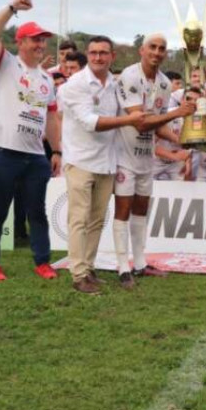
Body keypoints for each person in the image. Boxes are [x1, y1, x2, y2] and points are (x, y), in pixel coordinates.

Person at [0, 0, 62, 281]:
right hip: (4, 152)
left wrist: (57, 151)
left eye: (43, 40)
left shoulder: (48, 79)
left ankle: (42, 262)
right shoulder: (7, 64)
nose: (40, 45)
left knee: (37, 213)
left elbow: (50, 117)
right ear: (20, 42)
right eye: (34, 39)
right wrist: (12, 8)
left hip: (36, 157)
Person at [61, 35, 145, 294]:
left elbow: (132, 109)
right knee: (79, 219)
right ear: (88, 54)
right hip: (80, 160)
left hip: (107, 162)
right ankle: (78, 275)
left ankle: (88, 268)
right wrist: (131, 120)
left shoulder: (114, 84)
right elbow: (89, 121)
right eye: (94, 52)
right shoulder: (75, 84)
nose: (98, 57)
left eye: (103, 53)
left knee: (97, 220)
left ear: (112, 56)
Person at [112, 33, 195, 288]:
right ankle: (122, 267)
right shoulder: (129, 76)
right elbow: (139, 122)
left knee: (141, 210)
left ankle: (139, 264)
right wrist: (178, 112)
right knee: (123, 210)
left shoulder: (164, 83)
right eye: (153, 47)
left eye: (162, 49)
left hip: (146, 157)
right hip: (124, 155)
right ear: (142, 50)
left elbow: (157, 127)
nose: (157, 52)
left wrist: (180, 139)